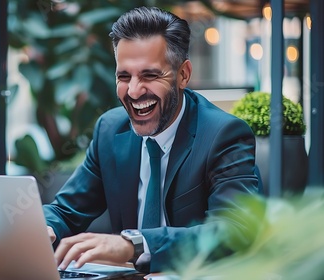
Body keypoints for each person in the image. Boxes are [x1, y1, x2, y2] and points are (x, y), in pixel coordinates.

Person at [43, 6, 259, 273]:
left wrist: (135, 244)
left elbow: (234, 232)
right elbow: (66, 211)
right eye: (124, 76)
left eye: (150, 75)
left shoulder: (223, 135)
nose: (134, 91)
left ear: (183, 75)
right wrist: (43, 228)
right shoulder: (110, 130)